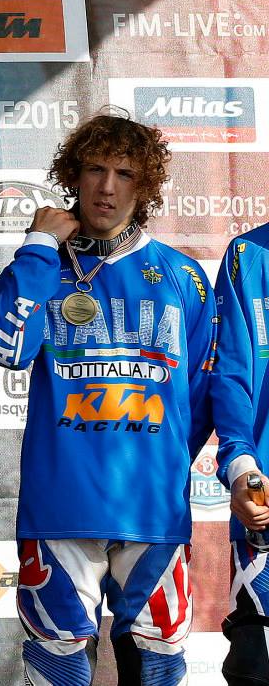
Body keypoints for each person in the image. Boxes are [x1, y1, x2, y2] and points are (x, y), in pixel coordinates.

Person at [0, 112, 210, 686]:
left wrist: (158, 458)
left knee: (157, 662)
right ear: (73, 177)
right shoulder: (42, 267)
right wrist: (37, 247)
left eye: (125, 174)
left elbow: (200, 398)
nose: (107, 188)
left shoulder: (184, 277)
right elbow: (7, 347)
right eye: (95, 170)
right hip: (61, 506)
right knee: (58, 662)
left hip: (151, 508)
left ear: (146, 185)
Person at [213, 216, 269, 685]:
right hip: (266, 511)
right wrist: (241, 465)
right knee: (257, 670)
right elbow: (231, 377)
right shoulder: (249, 256)